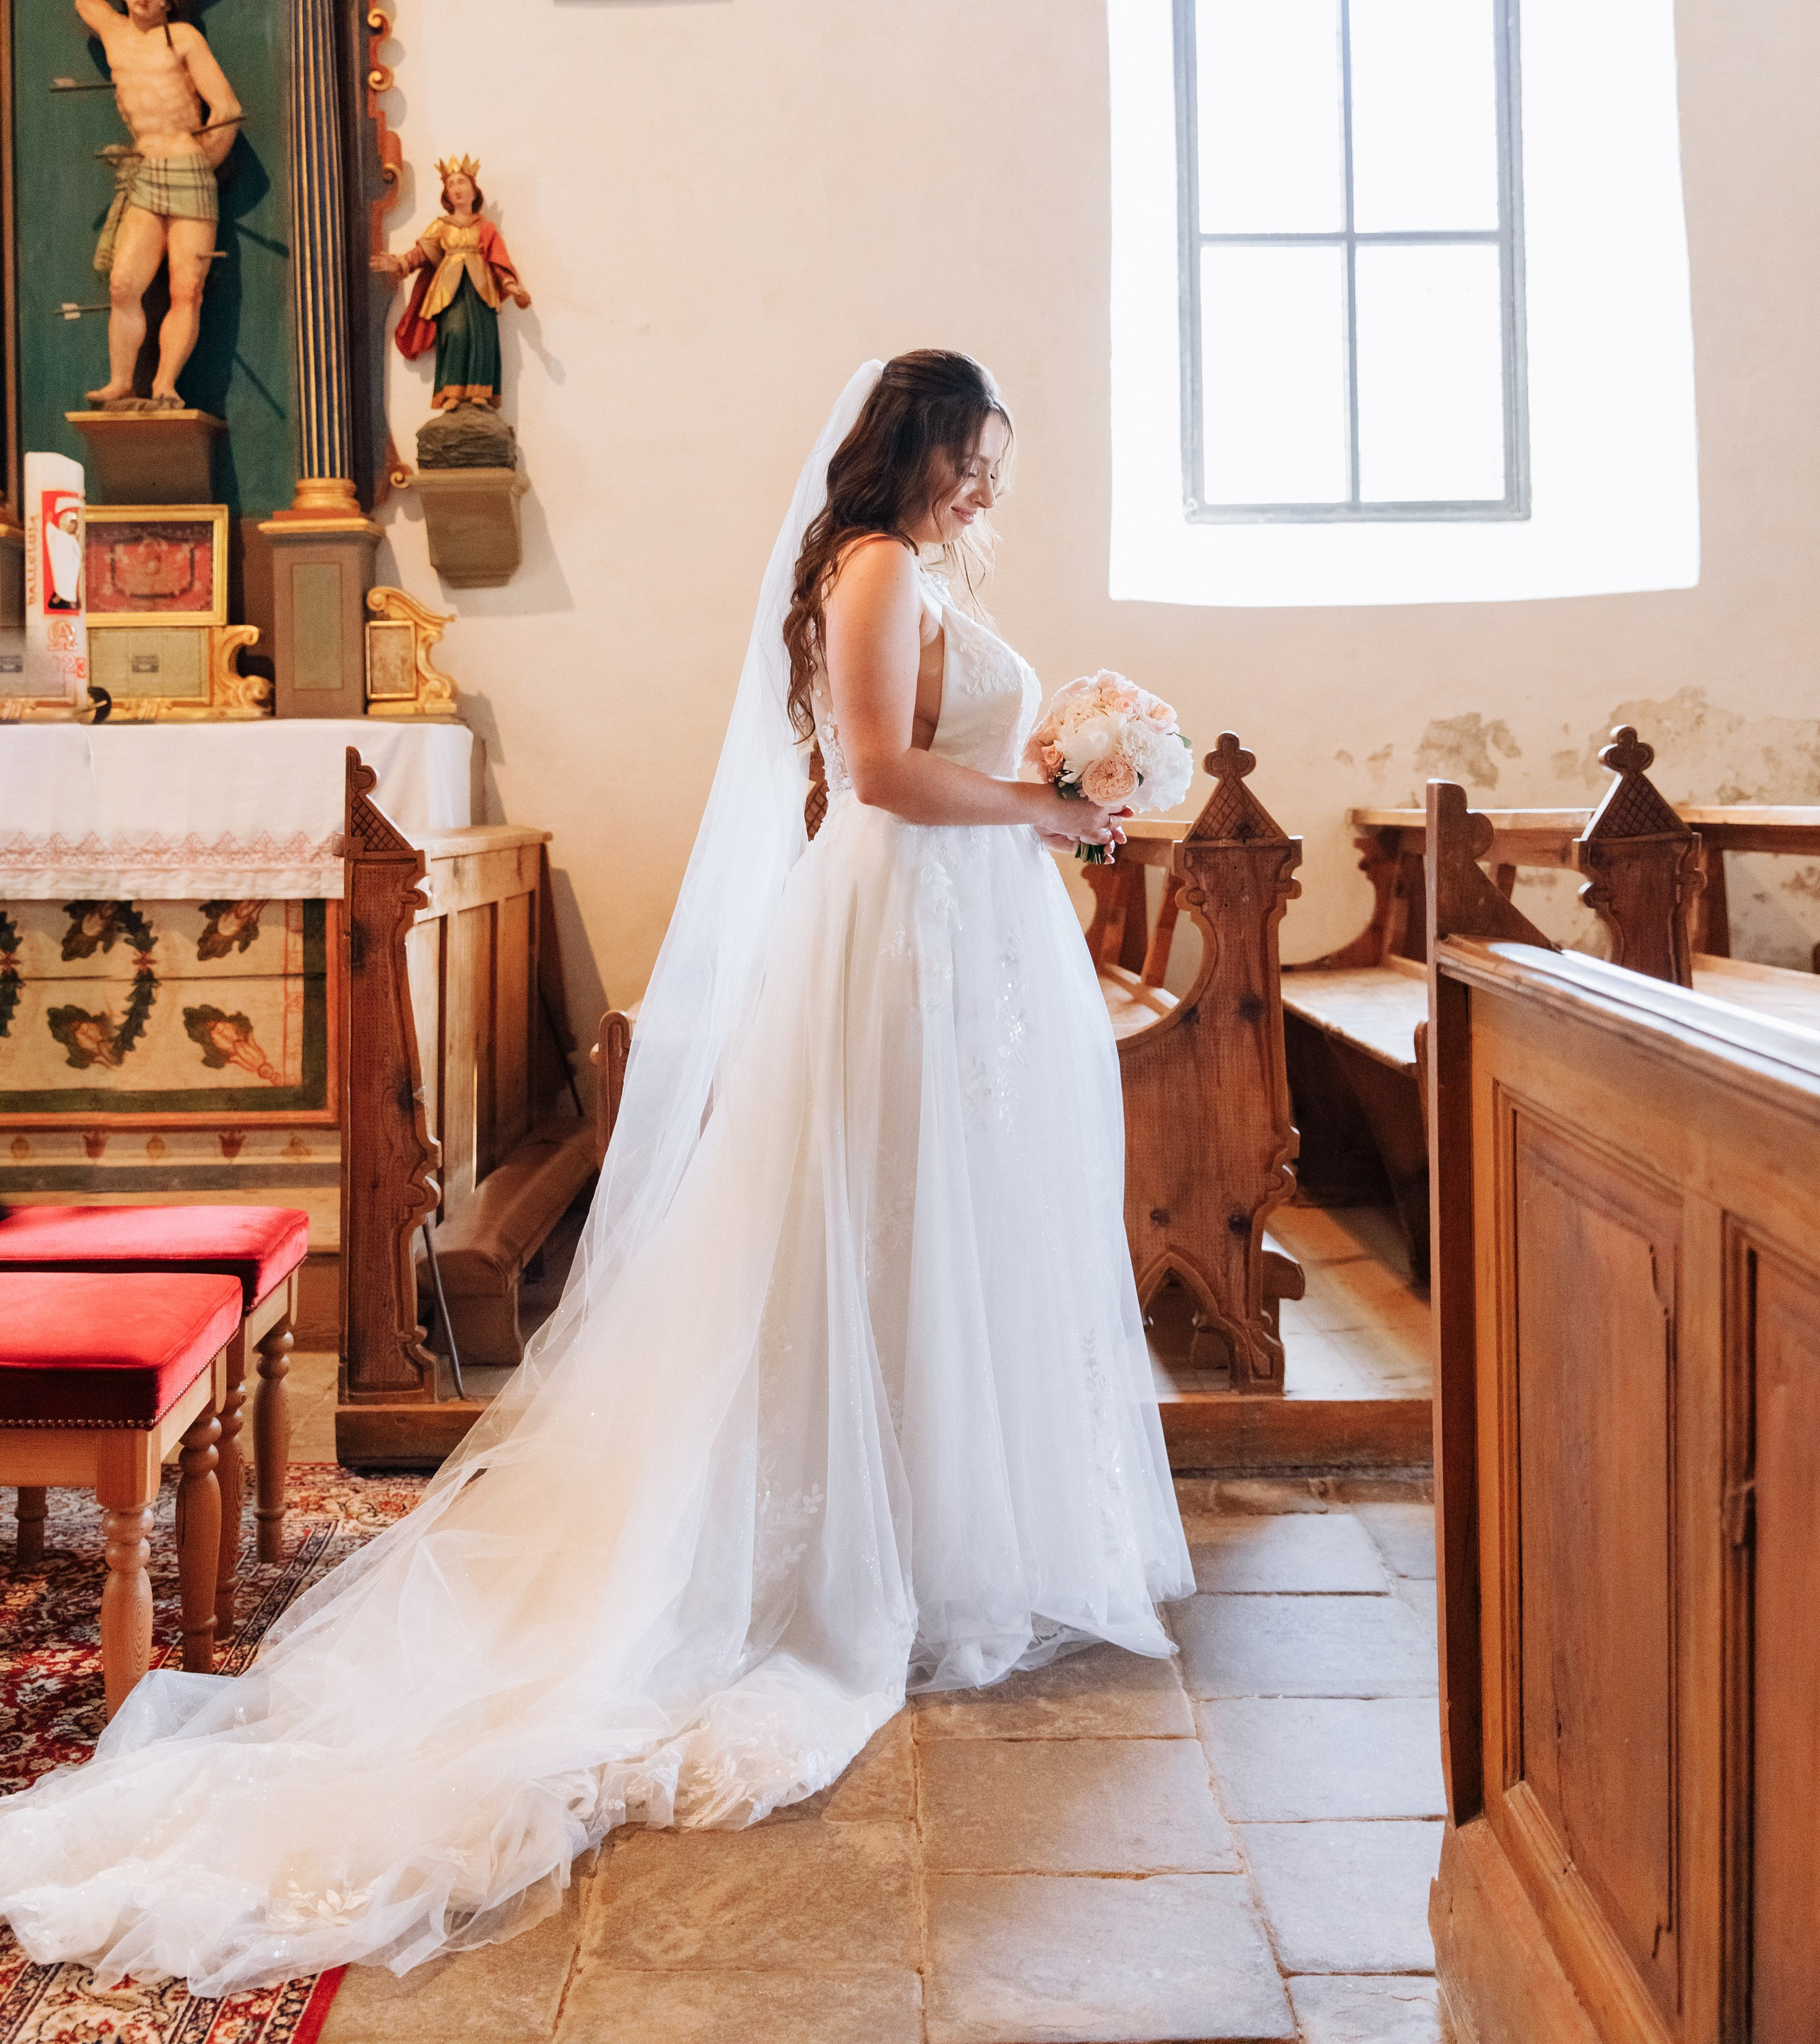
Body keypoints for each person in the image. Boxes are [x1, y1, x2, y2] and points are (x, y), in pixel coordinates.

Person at [0, 351, 1189, 1996]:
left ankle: (922, 1519)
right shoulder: (872, 565)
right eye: (973, 459)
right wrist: (1046, 806)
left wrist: (1058, 795)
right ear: (915, 449)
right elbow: (872, 769)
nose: (986, 489)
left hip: (953, 919)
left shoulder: (914, 565)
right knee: (869, 1229)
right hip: (901, 915)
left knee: (938, 1236)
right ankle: (843, 1540)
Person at [72, 0, 241, 410]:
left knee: (186, 289)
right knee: (125, 283)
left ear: (169, 2)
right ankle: (122, 381)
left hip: (188, 168)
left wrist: (201, 160)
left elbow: (226, 108)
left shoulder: (182, 38)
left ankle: (165, 383)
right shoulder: (113, 32)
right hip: (146, 172)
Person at [372, 155, 532, 407]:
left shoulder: (485, 228)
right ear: (447, 194)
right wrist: (401, 262)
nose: (456, 188)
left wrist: (511, 285)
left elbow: (498, 258)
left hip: (480, 289)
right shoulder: (441, 226)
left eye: (461, 183)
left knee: (482, 336)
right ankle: (451, 391)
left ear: (473, 191)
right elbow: (422, 254)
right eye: (451, 185)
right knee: (454, 333)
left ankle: (481, 389)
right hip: (449, 289)